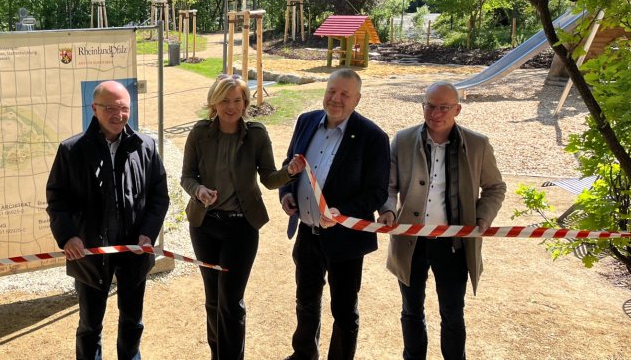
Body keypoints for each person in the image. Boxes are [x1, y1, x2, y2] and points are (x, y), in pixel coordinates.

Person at [376, 81, 505, 360]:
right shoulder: (403, 139)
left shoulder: (478, 144)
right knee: (411, 311)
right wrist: (387, 210)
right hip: (411, 243)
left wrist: (483, 217)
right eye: (430, 106)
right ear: (423, 106)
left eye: (444, 107)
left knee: (453, 314)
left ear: (457, 109)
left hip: (455, 245)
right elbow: (388, 186)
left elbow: (495, 187)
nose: (435, 113)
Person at [181, 74, 306, 360]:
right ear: (214, 102)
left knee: (231, 302)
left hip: (241, 228)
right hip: (205, 226)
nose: (231, 106)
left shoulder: (257, 134)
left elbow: (270, 179)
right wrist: (198, 190)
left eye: (237, 100)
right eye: (225, 100)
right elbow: (187, 176)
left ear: (245, 102)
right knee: (213, 299)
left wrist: (290, 172)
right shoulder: (200, 133)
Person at [46, 80, 170, 360]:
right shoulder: (71, 150)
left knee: (132, 321)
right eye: (110, 108)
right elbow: (57, 199)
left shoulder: (145, 147)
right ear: (94, 109)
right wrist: (68, 236)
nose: (118, 115)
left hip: (134, 253)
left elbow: (159, 196)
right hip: (90, 253)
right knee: (90, 326)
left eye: (124, 108)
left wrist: (148, 233)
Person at [279, 68, 390, 360]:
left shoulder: (373, 137)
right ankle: (303, 354)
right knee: (305, 301)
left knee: (343, 310)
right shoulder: (306, 121)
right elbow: (289, 165)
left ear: (357, 100)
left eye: (344, 94)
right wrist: (286, 194)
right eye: (331, 91)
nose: (336, 99)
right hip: (307, 233)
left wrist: (343, 213)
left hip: (346, 238)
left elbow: (377, 192)